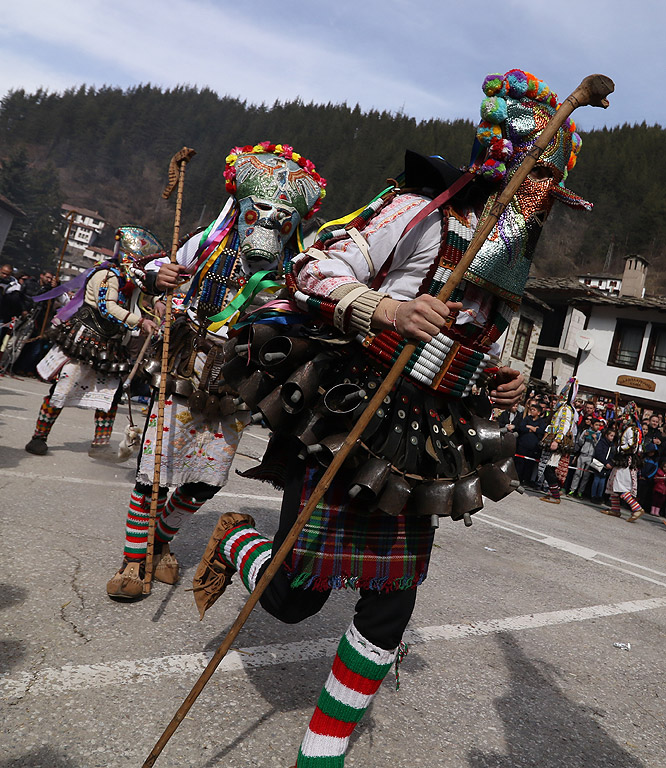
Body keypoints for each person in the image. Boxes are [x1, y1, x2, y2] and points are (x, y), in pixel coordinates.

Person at [191, 69, 592, 767]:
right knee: (293, 599)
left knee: (391, 598)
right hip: (353, 408)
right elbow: (313, 268)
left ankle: (321, 754)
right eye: (536, 181)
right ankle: (236, 541)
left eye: (549, 190)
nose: (541, 200)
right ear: (503, 162)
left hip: (426, 436)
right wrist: (388, 309)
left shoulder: (511, 256)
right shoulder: (423, 209)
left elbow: (473, 338)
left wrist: (502, 375)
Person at [105, 141, 327, 599]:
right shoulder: (208, 243)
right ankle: (133, 559)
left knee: (207, 477)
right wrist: (157, 276)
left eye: (281, 217)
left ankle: (160, 543)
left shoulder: (300, 267)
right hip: (188, 365)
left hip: (243, 381)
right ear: (242, 207)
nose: (268, 223)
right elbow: (158, 269)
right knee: (155, 468)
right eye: (259, 211)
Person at [23, 228, 161, 457]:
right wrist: (140, 321)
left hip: (111, 343)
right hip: (86, 339)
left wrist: (158, 300)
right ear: (130, 257)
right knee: (62, 388)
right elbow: (108, 307)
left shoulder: (129, 278)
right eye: (143, 261)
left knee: (109, 394)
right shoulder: (107, 275)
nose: (145, 267)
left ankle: (100, 445)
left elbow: (148, 289)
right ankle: (39, 437)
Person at [601, 402, 644, 521]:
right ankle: (615, 509)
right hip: (621, 460)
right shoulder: (627, 429)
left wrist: (619, 448)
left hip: (625, 461)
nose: (623, 419)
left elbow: (632, 446)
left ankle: (637, 508)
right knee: (613, 484)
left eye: (625, 417)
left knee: (621, 486)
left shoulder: (632, 430)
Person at [539, 378, 578, 504]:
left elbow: (564, 426)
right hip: (554, 438)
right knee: (548, 468)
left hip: (558, 441)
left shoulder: (566, 409)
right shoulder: (561, 408)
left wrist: (557, 440)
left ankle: (555, 496)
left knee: (549, 468)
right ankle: (553, 493)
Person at [568, 417, 602, 498]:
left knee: (586, 476)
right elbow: (580, 442)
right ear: (592, 425)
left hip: (590, 457)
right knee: (577, 473)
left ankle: (580, 492)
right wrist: (583, 437)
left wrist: (595, 439)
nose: (598, 427)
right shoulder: (585, 431)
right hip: (582, 454)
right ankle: (572, 490)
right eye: (596, 425)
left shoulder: (599, 434)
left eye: (599, 425)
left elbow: (598, 447)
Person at [514, 402, 545, 486]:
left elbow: (541, 431)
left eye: (534, 410)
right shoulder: (527, 419)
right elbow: (521, 428)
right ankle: (517, 478)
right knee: (519, 463)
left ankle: (525, 480)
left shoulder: (541, 422)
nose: (532, 411)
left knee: (529, 465)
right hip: (523, 445)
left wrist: (530, 427)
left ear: (538, 413)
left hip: (533, 447)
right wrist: (532, 429)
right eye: (531, 409)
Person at [590, 427, 616, 503]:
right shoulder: (601, 443)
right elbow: (599, 454)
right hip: (599, 465)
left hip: (606, 467)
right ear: (606, 435)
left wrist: (610, 463)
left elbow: (612, 455)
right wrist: (605, 462)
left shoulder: (612, 446)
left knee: (602, 482)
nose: (612, 437)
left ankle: (599, 496)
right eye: (611, 435)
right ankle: (593, 495)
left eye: (613, 436)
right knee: (596, 480)